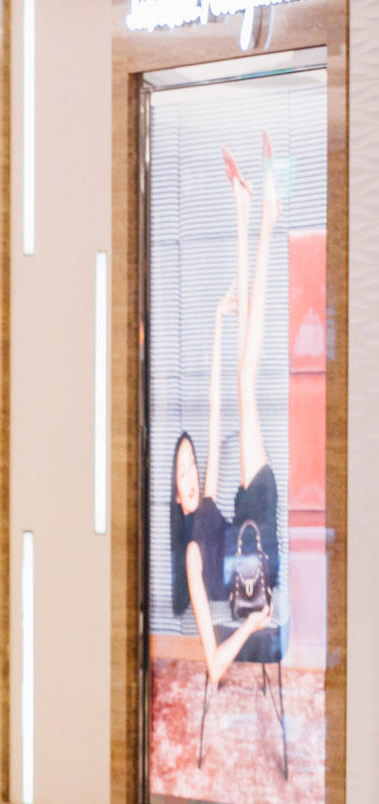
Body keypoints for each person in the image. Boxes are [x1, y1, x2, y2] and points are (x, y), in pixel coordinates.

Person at [167, 136, 281, 686]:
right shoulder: (192, 554)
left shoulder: (209, 502)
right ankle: (263, 217)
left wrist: (216, 319)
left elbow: (213, 412)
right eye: (184, 470)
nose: (192, 472)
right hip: (259, 557)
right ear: (176, 493)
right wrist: (253, 622)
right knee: (246, 379)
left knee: (237, 375)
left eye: (191, 465)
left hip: (246, 511)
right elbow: (213, 666)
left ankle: (246, 210)